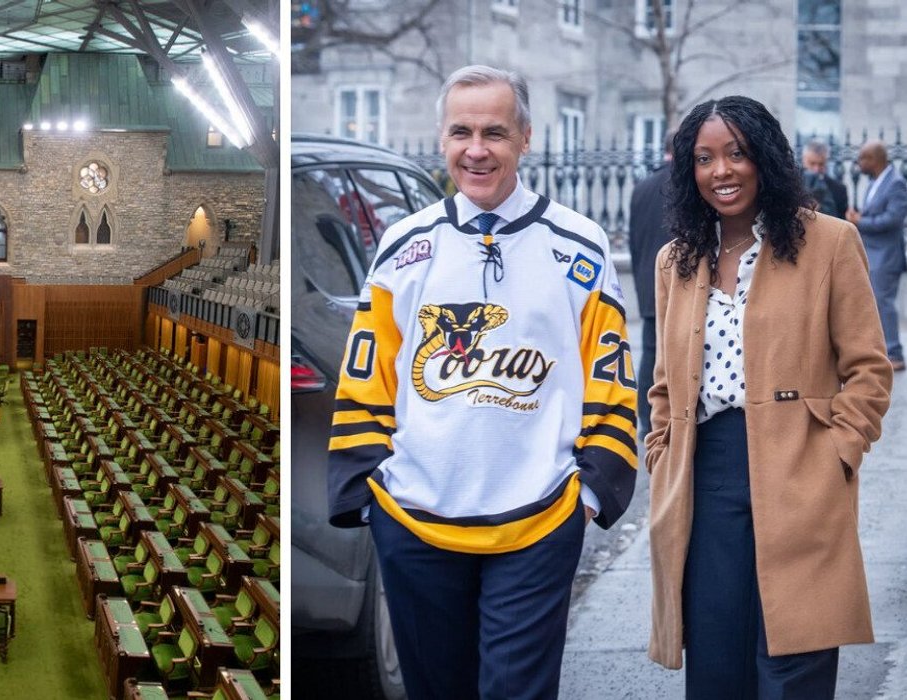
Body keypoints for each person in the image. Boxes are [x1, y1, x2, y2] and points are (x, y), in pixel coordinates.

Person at [327, 64, 637, 699]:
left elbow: (611, 377)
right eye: (461, 132)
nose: (476, 149)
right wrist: (368, 488)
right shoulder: (403, 244)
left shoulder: (580, 245)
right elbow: (367, 372)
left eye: (494, 132)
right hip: (415, 517)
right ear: (442, 140)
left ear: (526, 137)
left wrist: (592, 491)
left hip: (541, 515)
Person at [646, 96, 893, 699]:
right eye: (704, 158)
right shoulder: (675, 260)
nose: (721, 171)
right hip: (705, 476)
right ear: (689, 171)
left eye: (736, 153)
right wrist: (661, 450)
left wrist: (838, 453)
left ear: (765, 158)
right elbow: (662, 382)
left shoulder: (829, 243)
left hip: (801, 467)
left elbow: (868, 368)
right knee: (717, 663)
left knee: (795, 662)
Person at [845, 140, 907, 371]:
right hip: (873, 253)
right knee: (874, 303)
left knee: (884, 303)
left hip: (887, 256)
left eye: (862, 158)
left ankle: (895, 353)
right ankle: (882, 351)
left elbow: (893, 220)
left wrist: (860, 221)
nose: (859, 163)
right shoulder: (875, 183)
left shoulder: (896, 184)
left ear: (874, 159)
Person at [629, 132, 674, 437]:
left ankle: (647, 419)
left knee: (650, 352)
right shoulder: (688, 184)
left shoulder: (642, 187)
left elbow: (633, 239)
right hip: (678, 279)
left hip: (647, 280)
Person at [802, 139, 848, 217]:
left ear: (826, 162)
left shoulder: (839, 189)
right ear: (804, 160)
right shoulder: (792, 183)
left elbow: (841, 221)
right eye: (812, 163)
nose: (816, 169)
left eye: (821, 164)